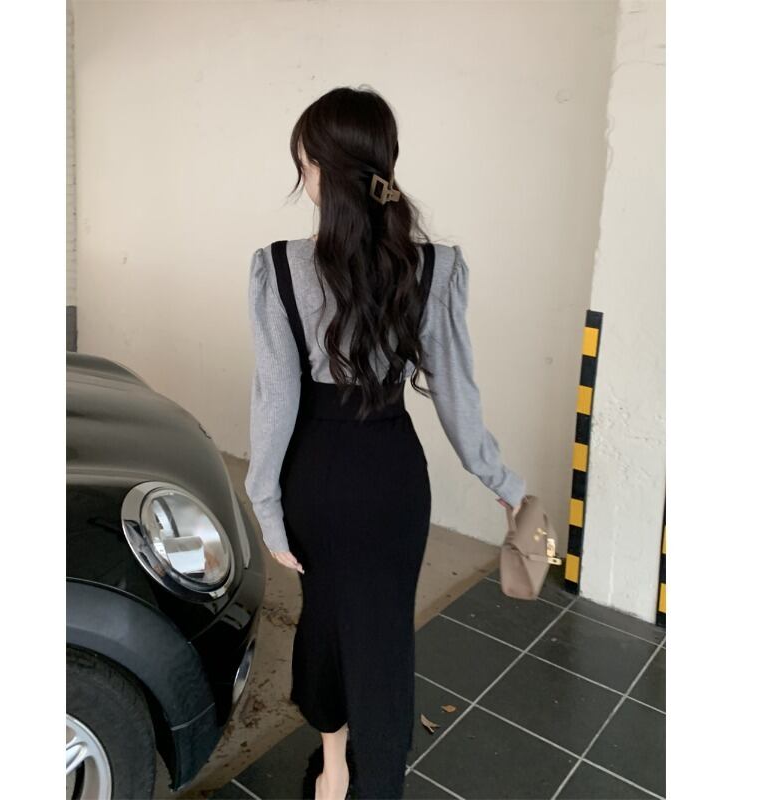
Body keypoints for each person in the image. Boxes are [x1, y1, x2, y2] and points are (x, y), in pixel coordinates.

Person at [245, 86, 525, 800]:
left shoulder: (279, 266)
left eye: (305, 162)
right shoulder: (432, 267)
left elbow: (276, 402)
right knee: (383, 638)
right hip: (394, 476)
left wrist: (265, 503)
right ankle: (375, 781)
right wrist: (504, 483)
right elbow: (459, 399)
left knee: (325, 620)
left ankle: (334, 766)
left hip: (316, 478)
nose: (303, 176)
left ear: (320, 170)